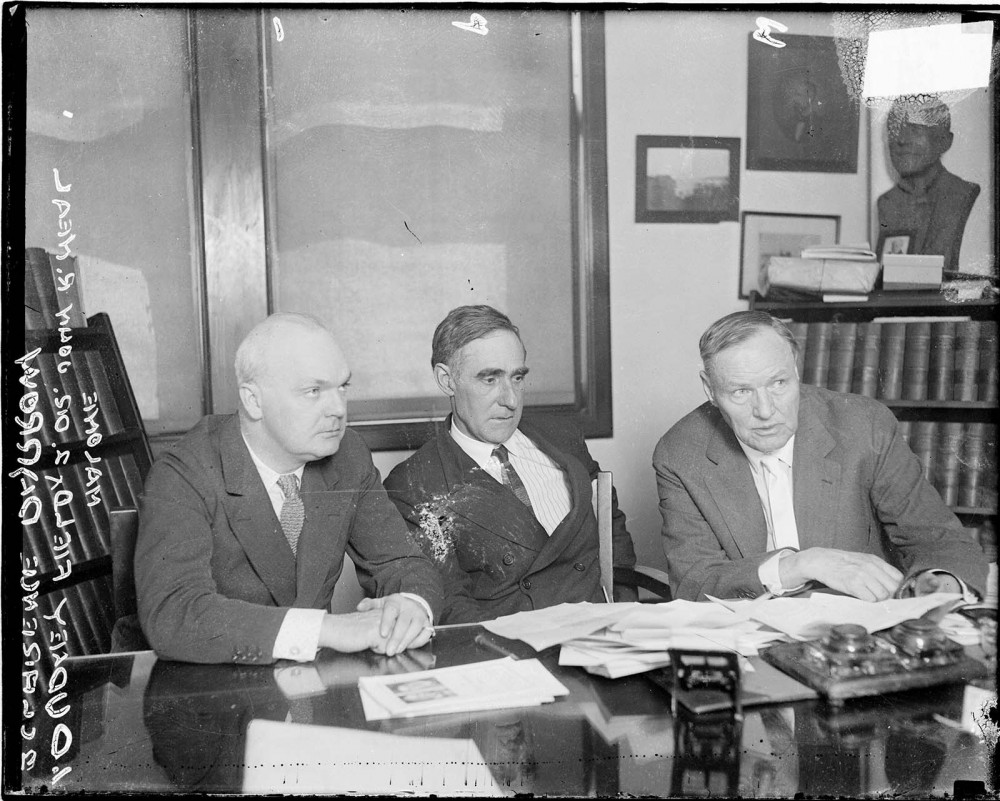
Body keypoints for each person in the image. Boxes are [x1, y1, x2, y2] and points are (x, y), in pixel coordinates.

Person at [133, 313, 443, 664]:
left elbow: (402, 562)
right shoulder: (185, 470)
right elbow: (174, 613)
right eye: (313, 391)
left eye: (343, 387)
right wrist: (330, 629)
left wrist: (411, 606)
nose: (338, 409)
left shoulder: (347, 455)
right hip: (210, 691)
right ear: (253, 401)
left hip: (310, 690)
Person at [653, 310, 987, 602]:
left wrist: (943, 583)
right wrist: (799, 564)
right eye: (741, 391)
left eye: (778, 383)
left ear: (796, 372)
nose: (766, 411)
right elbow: (694, 585)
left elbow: (940, 540)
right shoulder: (682, 454)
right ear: (710, 390)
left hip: (859, 634)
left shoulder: (863, 426)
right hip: (748, 642)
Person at [384, 305, 636, 623]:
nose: (511, 400)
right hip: (517, 650)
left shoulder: (563, 436)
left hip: (609, 633)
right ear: (446, 380)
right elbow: (450, 602)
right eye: (489, 380)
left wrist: (624, 602)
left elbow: (607, 518)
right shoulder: (416, 486)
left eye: (517, 378)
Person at [876, 96, 980, 273]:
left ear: (944, 142)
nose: (901, 139)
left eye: (915, 129)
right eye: (894, 129)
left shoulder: (960, 193)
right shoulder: (887, 202)